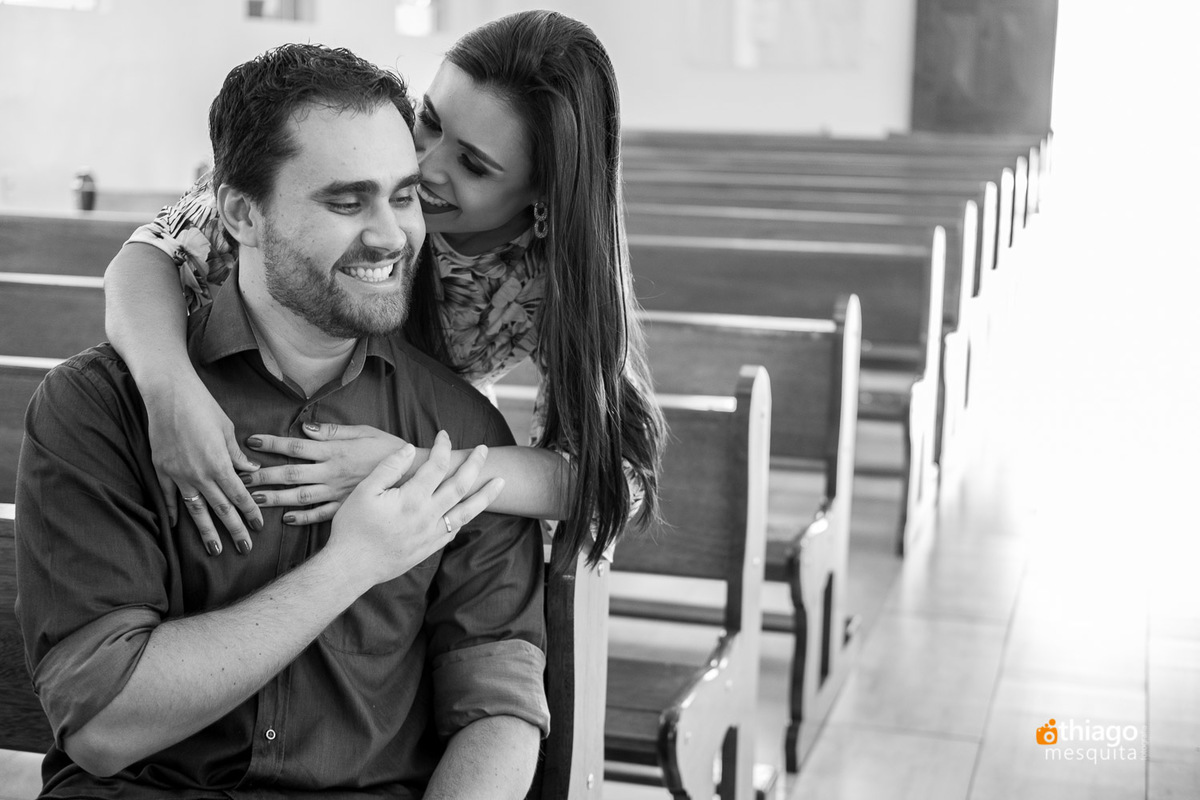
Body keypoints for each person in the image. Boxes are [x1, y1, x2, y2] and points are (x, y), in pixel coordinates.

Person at [16, 43, 547, 798]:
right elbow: (102, 727)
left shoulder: (459, 437)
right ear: (239, 213)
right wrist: (353, 562)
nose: (391, 235)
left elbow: (496, 705)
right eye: (344, 201)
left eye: (402, 197)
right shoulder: (101, 408)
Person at [103, 10, 666, 571]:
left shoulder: (552, 273)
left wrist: (412, 464)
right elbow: (147, 258)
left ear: (543, 192)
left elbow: (610, 481)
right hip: (245, 410)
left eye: (472, 164)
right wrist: (171, 391)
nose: (422, 164)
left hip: (411, 464)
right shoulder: (353, 165)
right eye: (431, 120)